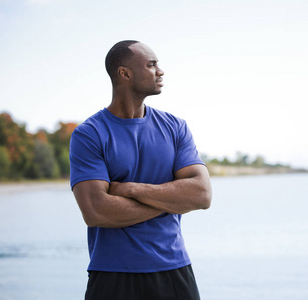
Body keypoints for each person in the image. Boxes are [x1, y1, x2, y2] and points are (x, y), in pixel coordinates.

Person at [69, 40, 212, 300]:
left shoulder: (176, 127)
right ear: (125, 73)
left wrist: (131, 189)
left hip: (174, 268)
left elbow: (201, 195)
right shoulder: (89, 134)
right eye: (152, 64)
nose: (161, 71)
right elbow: (96, 211)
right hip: (112, 273)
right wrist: (173, 201)